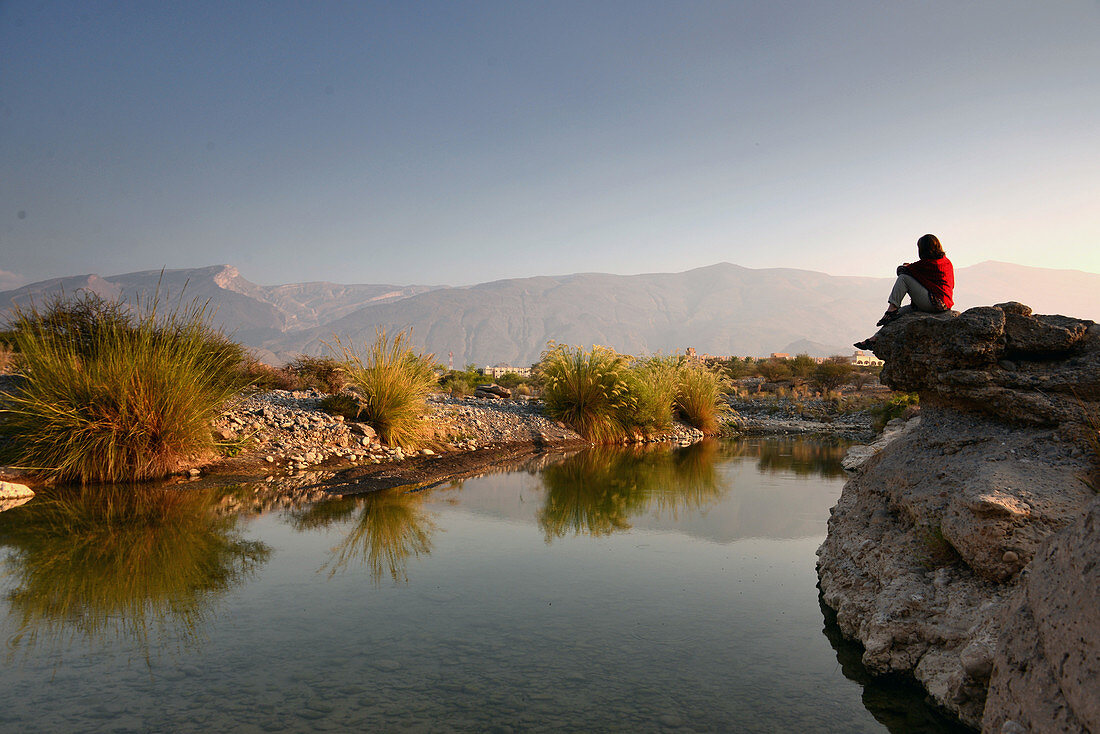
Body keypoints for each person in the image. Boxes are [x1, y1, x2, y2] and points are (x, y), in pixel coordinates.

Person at [854, 234, 954, 349]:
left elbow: (902, 270)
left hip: (935, 302)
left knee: (903, 278)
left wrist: (909, 268)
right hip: (941, 303)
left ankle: (892, 307)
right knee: (896, 315)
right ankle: (874, 339)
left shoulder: (930, 264)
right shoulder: (945, 262)